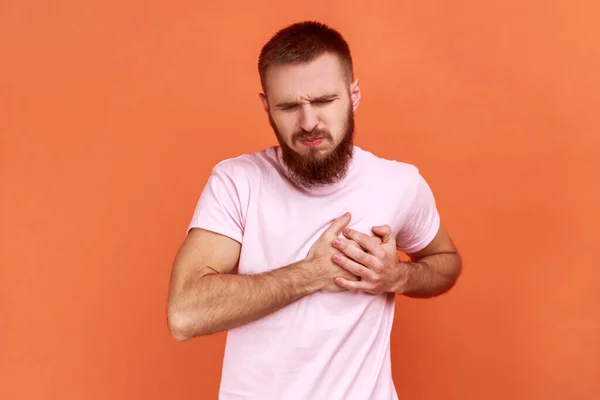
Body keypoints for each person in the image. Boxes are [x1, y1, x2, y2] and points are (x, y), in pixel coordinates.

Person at [166, 20, 462, 400]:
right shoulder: (238, 182)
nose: (308, 123)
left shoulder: (399, 183)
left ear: (353, 93)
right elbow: (184, 315)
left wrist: (397, 277)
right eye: (289, 106)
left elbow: (446, 262)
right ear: (266, 106)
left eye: (324, 101)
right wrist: (311, 274)